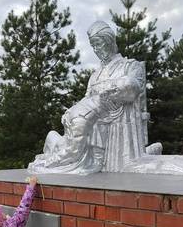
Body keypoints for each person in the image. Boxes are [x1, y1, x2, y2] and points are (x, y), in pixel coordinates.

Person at [28, 20, 147, 174]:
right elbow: (86, 98)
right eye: (93, 46)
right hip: (90, 118)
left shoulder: (129, 66)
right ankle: (63, 158)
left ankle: (89, 160)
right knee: (77, 127)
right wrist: (70, 111)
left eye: (98, 44)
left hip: (117, 121)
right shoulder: (95, 75)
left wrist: (109, 92)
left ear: (109, 41)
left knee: (87, 124)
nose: (96, 50)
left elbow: (134, 88)